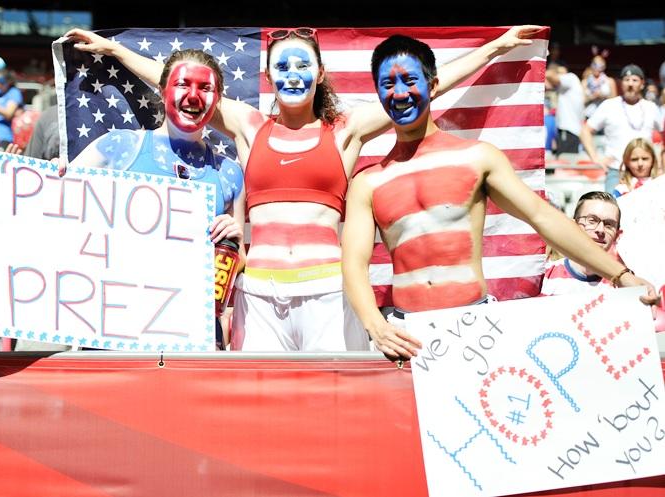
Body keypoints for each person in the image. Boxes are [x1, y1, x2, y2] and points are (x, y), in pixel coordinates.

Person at [63, 25, 542, 352]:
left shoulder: (345, 130)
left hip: (330, 293)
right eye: (283, 68)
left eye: (303, 66)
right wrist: (117, 52)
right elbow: (180, 86)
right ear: (269, 77)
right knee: (260, 407)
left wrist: (496, 47)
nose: (293, 75)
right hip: (258, 294)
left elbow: (425, 89)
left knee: (335, 407)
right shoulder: (251, 127)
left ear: (319, 74)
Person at [341, 35, 658, 360]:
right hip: (406, 335)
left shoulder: (477, 158)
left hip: (474, 327)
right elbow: (353, 262)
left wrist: (620, 275)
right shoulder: (368, 182)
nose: (399, 93)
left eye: (409, 80)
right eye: (387, 84)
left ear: (433, 85)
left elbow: (542, 217)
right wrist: (374, 325)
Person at [62, 48, 245, 351]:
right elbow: (53, 209)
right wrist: (53, 175)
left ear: (218, 98)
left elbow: (239, 264)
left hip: (190, 340)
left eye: (205, 88)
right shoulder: (117, 146)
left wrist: (235, 241)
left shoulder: (229, 173)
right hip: (116, 333)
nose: (194, 96)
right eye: (183, 85)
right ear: (162, 90)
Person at [579, 63, 664, 194]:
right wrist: (596, 158)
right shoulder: (609, 105)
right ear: (621, 83)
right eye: (626, 80)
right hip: (616, 171)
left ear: (642, 83)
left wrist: (660, 164)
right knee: (613, 209)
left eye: (634, 80)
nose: (630, 84)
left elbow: (663, 134)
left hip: (645, 171)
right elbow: (585, 131)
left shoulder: (651, 107)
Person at [539, 192, 621, 296]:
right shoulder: (543, 278)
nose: (600, 230)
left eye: (609, 224)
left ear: (617, 234)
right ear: (574, 226)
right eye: (592, 221)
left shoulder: (624, 285)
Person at [545, 62, 585, 155]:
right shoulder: (566, 86)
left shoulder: (570, 77)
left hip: (568, 130)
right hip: (570, 131)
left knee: (565, 164)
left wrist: (554, 72)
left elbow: (548, 74)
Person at [581, 54, 617, 119]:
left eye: (600, 65)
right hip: (589, 116)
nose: (597, 67)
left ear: (604, 66)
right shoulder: (585, 82)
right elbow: (581, 101)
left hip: (605, 116)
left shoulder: (609, 81)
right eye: (594, 64)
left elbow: (614, 101)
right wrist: (592, 97)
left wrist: (603, 96)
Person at [0, 69, 23, 150]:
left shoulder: (14, 92)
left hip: (5, 136)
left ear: (8, 82)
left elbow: (8, 114)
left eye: (1, 81)